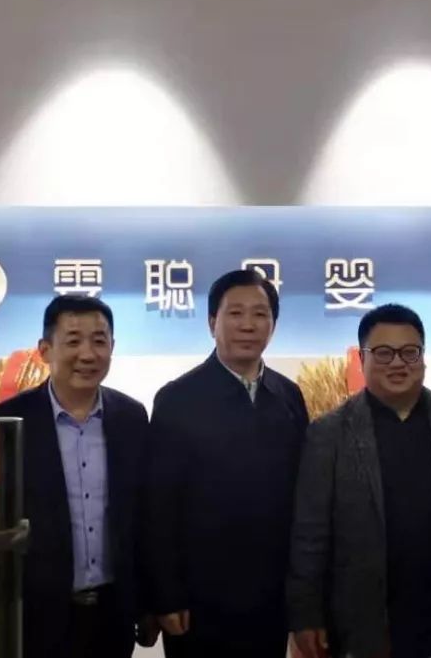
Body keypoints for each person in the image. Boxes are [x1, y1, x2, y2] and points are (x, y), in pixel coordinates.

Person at [288, 304, 431, 658]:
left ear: (423, 357)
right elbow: (310, 533)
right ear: (362, 359)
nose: (398, 363)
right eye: (384, 353)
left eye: (410, 352)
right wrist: (306, 614)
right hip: (363, 624)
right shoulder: (328, 434)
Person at [0, 295, 156, 658]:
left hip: (112, 615)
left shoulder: (132, 417)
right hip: (34, 617)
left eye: (99, 341)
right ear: (45, 350)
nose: (87, 354)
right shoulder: (5, 424)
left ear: (112, 347)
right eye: (73, 341)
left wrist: (149, 604)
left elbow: (145, 518)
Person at [148, 269, 309, 658]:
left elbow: (303, 498)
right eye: (235, 313)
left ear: (273, 325)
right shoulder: (177, 399)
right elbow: (158, 508)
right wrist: (166, 595)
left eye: (260, 314)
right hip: (200, 601)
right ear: (211, 322)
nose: (248, 325)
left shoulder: (288, 396)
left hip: (271, 596)